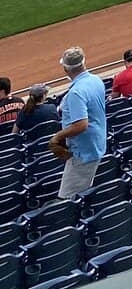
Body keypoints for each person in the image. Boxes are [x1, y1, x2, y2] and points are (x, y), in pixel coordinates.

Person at [51, 47, 107, 198]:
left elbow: (81, 124)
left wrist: (58, 136)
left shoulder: (76, 93)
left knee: (67, 198)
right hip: (97, 143)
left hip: (84, 152)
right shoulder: (96, 80)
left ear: (66, 68)